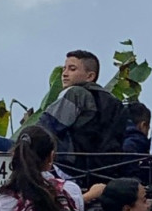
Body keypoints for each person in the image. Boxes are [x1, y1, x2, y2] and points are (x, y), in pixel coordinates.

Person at [37, 50, 127, 184]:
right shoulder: (114, 103)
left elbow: (44, 128)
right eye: (64, 69)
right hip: (98, 173)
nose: (65, 74)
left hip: (66, 167)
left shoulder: (76, 93)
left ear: (90, 76)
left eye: (72, 69)